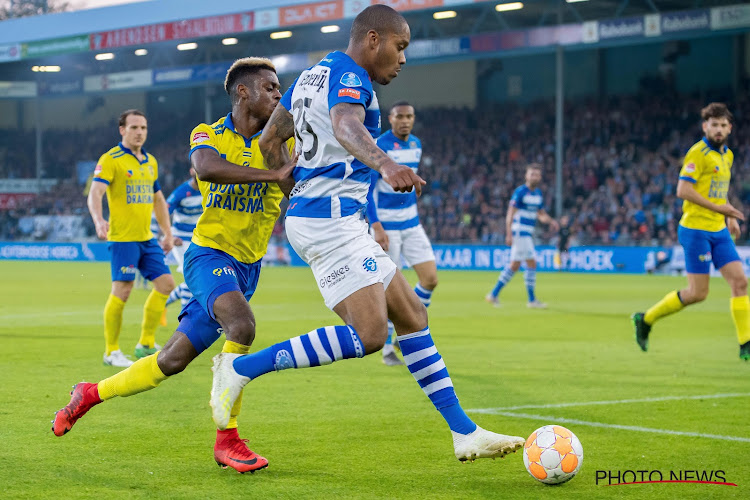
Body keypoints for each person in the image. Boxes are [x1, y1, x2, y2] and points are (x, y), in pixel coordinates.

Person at [211, 4, 525, 466]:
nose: (402, 60)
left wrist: (295, 186)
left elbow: (267, 142)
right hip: (331, 221)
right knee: (370, 335)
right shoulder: (351, 77)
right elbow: (345, 125)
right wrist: (386, 162)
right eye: (400, 48)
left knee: (413, 315)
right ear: (373, 39)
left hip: (328, 216)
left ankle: (464, 432)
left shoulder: (308, 78)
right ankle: (240, 368)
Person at [52, 57, 296, 474]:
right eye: (270, 87)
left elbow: (293, 187)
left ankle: (89, 394)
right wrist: (272, 177)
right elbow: (205, 168)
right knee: (242, 326)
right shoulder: (209, 133)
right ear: (243, 92)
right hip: (208, 255)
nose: (278, 94)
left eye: (279, 88)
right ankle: (228, 439)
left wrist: (289, 169)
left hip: (248, 265)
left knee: (171, 361)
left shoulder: (283, 146)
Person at [633, 103, 750, 361]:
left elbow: (718, 190)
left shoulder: (727, 155)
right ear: (705, 126)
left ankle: (746, 343)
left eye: (722, 125)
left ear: (729, 128)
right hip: (696, 230)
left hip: (718, 229)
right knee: (698, 293)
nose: (718, 129)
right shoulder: (697, 153)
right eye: (713, 124)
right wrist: (723, 208)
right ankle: (646, 319)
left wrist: (728, 216)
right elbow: (683, 190)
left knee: (740, 282)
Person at [87, 109, 176, 367]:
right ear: (122, 130)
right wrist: (98, 219)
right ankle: (111, 351)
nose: (139, 132)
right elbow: (96, 192)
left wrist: (167, 232)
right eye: (134, 127)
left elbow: (158, 199)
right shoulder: (111, 159)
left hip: (147, 239)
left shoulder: (151, 161)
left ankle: (145, 344)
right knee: (123, 291)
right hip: (123, 239)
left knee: (166, 285)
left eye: (143, 128)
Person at [367, 101, 437, 366]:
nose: (405, 121)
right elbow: (369, 189)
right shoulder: (380, 146)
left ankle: (405, 328)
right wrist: (376, 226)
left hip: (412, 223)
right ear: (391, 118)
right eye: (400, 116)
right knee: (389, 288)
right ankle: (387, 349)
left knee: (430, 279)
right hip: (387, 226)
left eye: (409, 116)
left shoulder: (416, 144)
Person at [486, 164, 558, 308]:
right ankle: (531, 300)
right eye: (532, 174)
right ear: (526, 176)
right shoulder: (520, 192)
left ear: (540, 177)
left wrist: (551, 221)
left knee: (515, 265)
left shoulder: (538, 194)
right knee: (531, 263)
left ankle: (493, 295)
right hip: (520, 232)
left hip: (526, 233)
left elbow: (541, 215)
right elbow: (510, 213)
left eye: (537, 175)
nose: (534, 177)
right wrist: (508, 233)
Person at [164, 168, 203, 311]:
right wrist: (170, 236)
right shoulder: (181, 192)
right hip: (180, 238)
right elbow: (164, 212)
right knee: (192, 277)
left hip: (199, 238)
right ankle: (185, 317)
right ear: (192, 172)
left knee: (198, 279)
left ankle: (161, 304)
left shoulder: (209, 189)